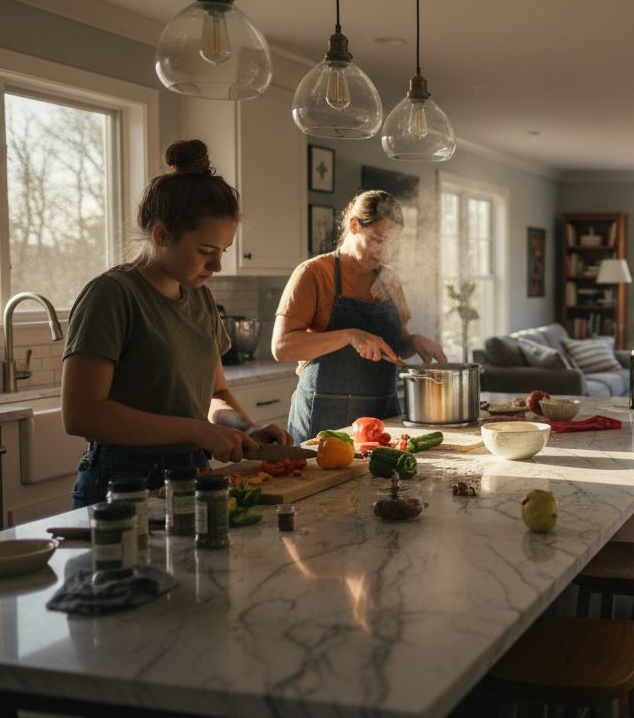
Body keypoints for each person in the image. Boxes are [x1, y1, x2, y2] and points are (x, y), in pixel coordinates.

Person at [61, 139, 293, 508]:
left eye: (223, 251)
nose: (217, 265)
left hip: (193, 477)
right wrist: (199, 430)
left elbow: (215, 395)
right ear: (161, 235)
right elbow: (81, 414)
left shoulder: (199, 298)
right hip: (122, 483)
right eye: (206, 251)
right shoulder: (111, 295)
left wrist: (245, 429)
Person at [273, 190, 446, 443]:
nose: (383, 252)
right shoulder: (314, 273)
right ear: (354, 225)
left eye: (391, 244)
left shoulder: (390, 281)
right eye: (377, 240)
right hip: (322, 424)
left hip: (382, 423)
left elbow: (394, 347)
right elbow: (282, 347)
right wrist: (350, 336)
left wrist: (415, 342)